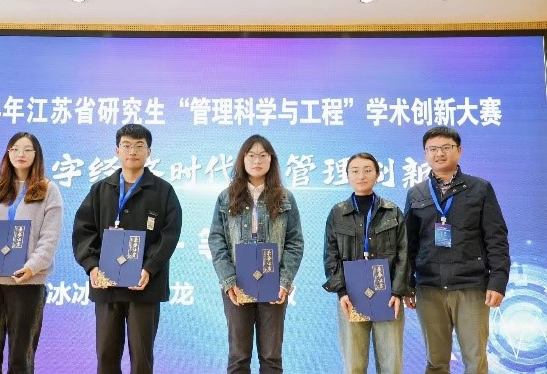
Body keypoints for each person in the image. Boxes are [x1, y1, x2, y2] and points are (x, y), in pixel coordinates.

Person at [72, 123, 182, 374]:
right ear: (117, 150)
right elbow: (83, 230)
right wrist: (92, 266)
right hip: (106, 286)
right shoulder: (100, 189)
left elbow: (170, 234)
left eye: (139, 146)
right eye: (127, 145)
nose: (132, 151)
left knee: (142, 359)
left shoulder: (163, 191)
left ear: (149, 152)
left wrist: (149, 268)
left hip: (144, 286)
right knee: (106, 357)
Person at [404, 126, 510, 374]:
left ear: (459, 151)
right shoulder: (417, 193)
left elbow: (496, 238)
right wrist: (406, 283)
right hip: (429, 287)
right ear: (425, 154)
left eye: (446, 147)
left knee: (475, 360)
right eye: (432, 149)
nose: (439, 153)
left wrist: (498, 281)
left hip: (471, 286)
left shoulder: (480, 188)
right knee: (436, 362)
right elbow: (408, 243)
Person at [0, 132, 63, 373]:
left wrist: (32, 267)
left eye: (27, 149)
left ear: (36, 155)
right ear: (7, 153)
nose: (21, 154)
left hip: (27, 283)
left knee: (21, 357)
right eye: (15, 149)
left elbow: (49, 238)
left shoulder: (48, 190)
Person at [208, 134, 304, 374]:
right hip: (237, 284)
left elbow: (295, 242)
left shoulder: (285, 197)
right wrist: (228, 280)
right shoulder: (227, 196)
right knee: (238, 356)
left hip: (273, 283)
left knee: (271, 357)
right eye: (251, 155)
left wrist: (284, 281)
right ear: (242, 159)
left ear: (271, 160)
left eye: (263, 155)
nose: (257, 160)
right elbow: (217, 240)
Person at [323, 152, 409, 374]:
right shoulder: (337, 213)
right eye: (355, 171)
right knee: (354, 364)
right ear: (347, 176)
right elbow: (331, 254)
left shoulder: (392, 211)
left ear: (377, 175)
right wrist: (341, 291)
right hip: (351, 296)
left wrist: (397, 291)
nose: (361, 176)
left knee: (391, 365)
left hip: (387, 294)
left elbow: (404, 254)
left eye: (367, 170)